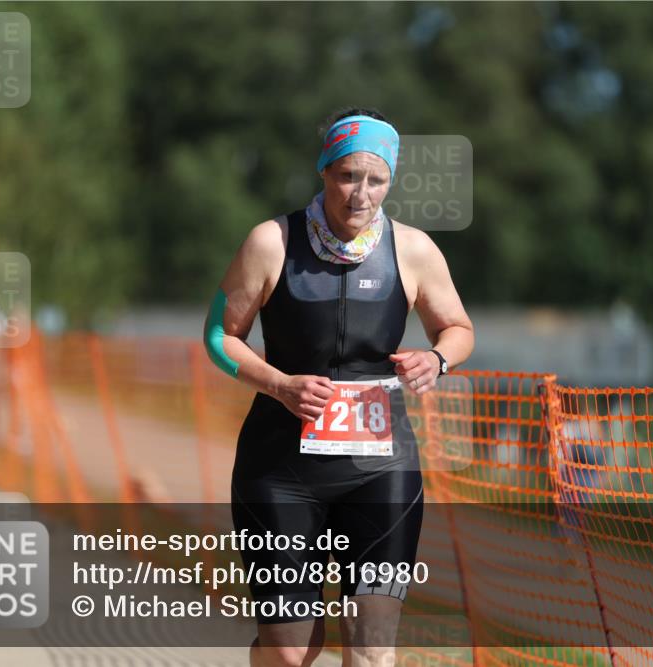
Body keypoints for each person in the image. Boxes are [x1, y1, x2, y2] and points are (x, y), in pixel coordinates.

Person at [205, 107, 474, 667]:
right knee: (291, 650)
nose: (361, 194)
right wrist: (279, 385)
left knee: (372, 646)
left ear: (390, 181)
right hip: (281, 472)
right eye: (349, 176)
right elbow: (218, 336)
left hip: (382, 471)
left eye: (376, 179)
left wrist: (438, 359)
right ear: (324, 171)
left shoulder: (414, 250)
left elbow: (458, 327)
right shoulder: (271, 243)